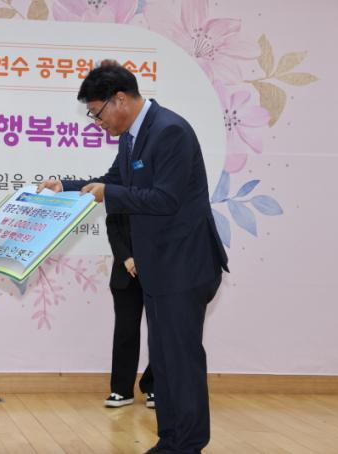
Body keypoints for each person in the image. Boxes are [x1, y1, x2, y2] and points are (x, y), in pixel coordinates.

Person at [38, 61, 228, 453]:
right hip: (158, 268)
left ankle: (188, 443)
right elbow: (115, 181)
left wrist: (109, 194)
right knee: (165, 360)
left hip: (184, 265)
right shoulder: (131, 138)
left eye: (97, 113)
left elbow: (166, 199)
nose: (97, 123)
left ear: (120, 99)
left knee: (180, 360)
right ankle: (171, 440)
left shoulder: (170, 131)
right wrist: (66, 186)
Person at [104, 213, 154, 409]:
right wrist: (126, 258)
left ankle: (155, 386)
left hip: (158, 273)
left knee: (159, 334)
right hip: (125, 274)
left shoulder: (159, 196)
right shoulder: (119, 195)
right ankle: (122, 390)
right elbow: (113, 227)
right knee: (125, 332)